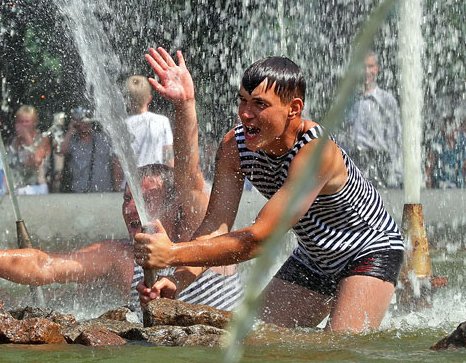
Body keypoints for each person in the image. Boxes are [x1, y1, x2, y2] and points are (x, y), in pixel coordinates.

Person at [134, 48, 404, 333]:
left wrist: (172, 252)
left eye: (259, 104)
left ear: (294, 109)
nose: (246, 114)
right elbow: (214, 227)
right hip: (314, 257)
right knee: (256, 337)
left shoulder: (316, 152)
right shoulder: (234, 148)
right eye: (243, 101)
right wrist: (177, 280)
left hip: (369, 249)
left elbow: (260, 240)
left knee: (337, 349)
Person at [0, 85, 244, 311]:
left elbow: (190, 178)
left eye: (146, 199)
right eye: (126, 199)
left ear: (176, 206)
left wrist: (184, 104)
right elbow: (45, 266)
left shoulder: (202, 236)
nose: (131, 208)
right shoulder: (120, 257)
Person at [342, 52, 402, 188]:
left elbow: (395, 138)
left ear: (377, 69)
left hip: (378, 164)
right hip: (353, 165)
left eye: (371, 66)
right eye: (362, 67)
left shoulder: (386, 101)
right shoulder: (348, 102)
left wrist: (397, 173)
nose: (366, 71)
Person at [59, 107, 115, 193]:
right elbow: (62, 151)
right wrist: (70, 131)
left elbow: (116, 159)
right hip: (80, 191)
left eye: (88, 120)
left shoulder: (103, 139)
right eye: (81, 120)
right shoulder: (73, 143)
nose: (85, 124)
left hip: (103, 191)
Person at [125, 75, 174, 167]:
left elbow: (117, 162)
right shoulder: (162, 121)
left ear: (128, 100)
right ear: (149, 98)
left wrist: (119, 182)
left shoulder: (123, 125)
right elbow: (168, 155)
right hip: (155, 178)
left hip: (131, 180)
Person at [7, 105, 51, 195]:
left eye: (27, 121)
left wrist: (27, 137)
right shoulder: (13, 141)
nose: (23, 125)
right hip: (18, 188)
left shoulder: (42, 139)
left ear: (34, 122)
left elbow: (37, 159)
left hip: (37, 188)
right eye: (20, 122)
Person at [425, 115, 466, 189]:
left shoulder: (461, 143)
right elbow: (428, 170)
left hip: (458, 188)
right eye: (449, 128)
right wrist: (428, 187)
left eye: (454, 128)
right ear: (443, 129)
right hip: (440, 187)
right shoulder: (436, 144)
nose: (452, 131)